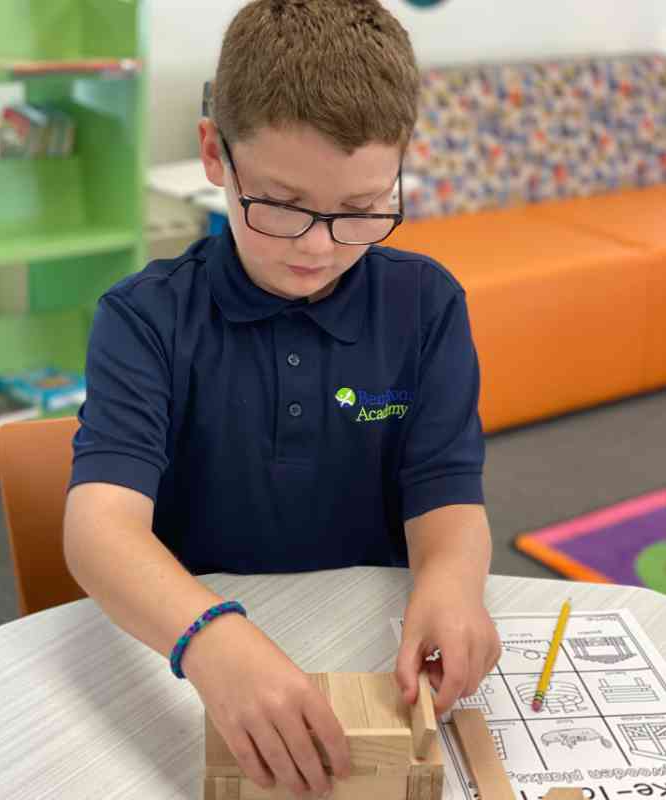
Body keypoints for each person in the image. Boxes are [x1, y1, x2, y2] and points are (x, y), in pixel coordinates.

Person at [63, 1, 501, 797]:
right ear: (212, 154)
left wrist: (451, 584)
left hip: (369, 652)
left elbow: (445, 493)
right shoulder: (144, 318)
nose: (318, 246)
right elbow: (98, 530)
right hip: (194, 652)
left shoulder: (427, 306)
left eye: (364, 210)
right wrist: (210, 639)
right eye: (282, 205)